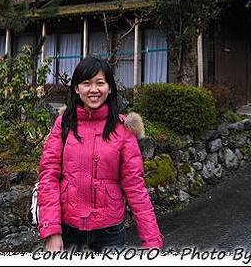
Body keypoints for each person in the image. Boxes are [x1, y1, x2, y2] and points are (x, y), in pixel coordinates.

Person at [37, 56, 163, 252]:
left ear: (110, 88)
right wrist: (51, 231)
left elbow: (135, 187)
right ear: (77, 88)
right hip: (68, 229)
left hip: (110, 233)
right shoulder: (64, 124)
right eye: (86, 83)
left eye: (100, 83)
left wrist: (152, 241)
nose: (93, 90)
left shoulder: (124, 129)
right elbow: (48, 177)